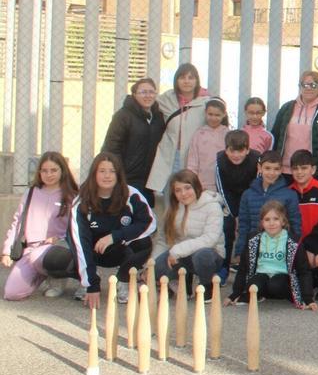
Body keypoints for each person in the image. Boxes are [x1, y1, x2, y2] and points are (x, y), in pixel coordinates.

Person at [42, 152, 157, 307]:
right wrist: (91, 284)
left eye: (112, 171)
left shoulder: (131, 194)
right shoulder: (82, 200)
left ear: (118, 174)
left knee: (144, 243)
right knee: (55, 257)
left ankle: (124, 280)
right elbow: (80, 244)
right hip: (92, 251)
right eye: (102, 171)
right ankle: (86, 278)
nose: (107, 176)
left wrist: (114, 237)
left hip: (118, 250)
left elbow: (149, 223)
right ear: (94, 174)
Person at [2, 152, 78, 300]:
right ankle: (42, 274)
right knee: (12, 293)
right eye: (44, 170)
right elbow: (17, 222)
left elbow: (77, 226)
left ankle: (57, 277)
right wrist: (6, 250)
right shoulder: (30, 192)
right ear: (39, 172)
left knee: (39, 256)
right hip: (31, 250)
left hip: (58, 248)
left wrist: (61, 238)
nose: (49, 174)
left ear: (63, 170)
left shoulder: (71, 195)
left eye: (54, 170)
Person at [226, 201, 317, 310]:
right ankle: (258, 294)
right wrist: (235, 294)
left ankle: (279, 294)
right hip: (261, 274)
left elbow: (304, 271)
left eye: (276, 219)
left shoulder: (293, 242)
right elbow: (243, 268)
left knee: (275, 285)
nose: (271, 223)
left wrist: (308, 299)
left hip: (282, 277)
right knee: (253, 286)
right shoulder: (253, 240)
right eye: (267, 219)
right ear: (262, 223)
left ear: (283, 222)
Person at [153, 170, 225, 295]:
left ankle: (206, 285)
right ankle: (183, 281)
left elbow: (210, 239)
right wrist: (151, 264)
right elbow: (163, 240)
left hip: (210, 253)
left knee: (202, 256)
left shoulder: (212, 206)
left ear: (196, 186)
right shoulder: (173, 209)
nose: (183, 194)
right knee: (157, 267)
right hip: (182, 255)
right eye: (178, 190)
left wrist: (177, 251)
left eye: (187, 188)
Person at [147, 63, 212, 195]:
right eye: (182, 77)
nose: (186, 81)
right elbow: (146, 103)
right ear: (176, 80)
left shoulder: (206, 102)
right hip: (169, 155)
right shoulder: (165, 100)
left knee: (190, 195)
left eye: (191, 77)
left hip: (194, 157)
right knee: (168, 196)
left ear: (197, 80)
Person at [101, 77, 165, 207]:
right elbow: (112, 148)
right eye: (143, 92)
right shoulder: (123, 116)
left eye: (151, 92)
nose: (148, 95)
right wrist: (118, 175)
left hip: (148, 180)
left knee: (144, 217)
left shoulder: (158, 117)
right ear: (134, 94)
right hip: (127, 178)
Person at [272, 71, 318, 184]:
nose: (309, 88)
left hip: (311, 173)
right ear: (300, 86)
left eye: (313, 85)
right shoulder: (287, 108)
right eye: (305, 85)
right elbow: (275, 137)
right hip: (285, 172)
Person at [235, 152, 302, 263]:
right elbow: (244, 226)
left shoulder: (289, 194)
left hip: (279, 251)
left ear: (281, 170)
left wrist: (291, 251)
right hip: (254, 250)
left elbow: (295, 226)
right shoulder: (248, 194)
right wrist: (240, 251)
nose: (271, 173)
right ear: (259, 168)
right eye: (267, 168)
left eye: (276, 169)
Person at [215, 130, 260, 282]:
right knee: (226, 228)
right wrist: (232, 213)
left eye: (240, 151)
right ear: (226, 149)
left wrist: (245, 212)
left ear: (247, 150)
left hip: (250, 195)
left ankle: (249, 268)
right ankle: (224, 267)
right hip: (229, 197)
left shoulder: (256, 159)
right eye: (232, 151)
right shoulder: (220, 160)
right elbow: (220, 187)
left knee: (251, 230)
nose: (236, 155)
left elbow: (258, 184)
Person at [184, 98, 230, 193]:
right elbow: (193, 160)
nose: (213, 118)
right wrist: (193, 181)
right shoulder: (199, 134)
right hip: (202, 183)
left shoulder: (227, 134)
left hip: (222, 183)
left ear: (224, 114)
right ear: (205, 113)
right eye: (210, 114)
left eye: (217, 115)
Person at [288, 150, 318, 240]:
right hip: (295, 247)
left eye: (304, 168)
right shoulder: (287, 193)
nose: (299, 172)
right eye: (295, 168)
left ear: (313, 170)